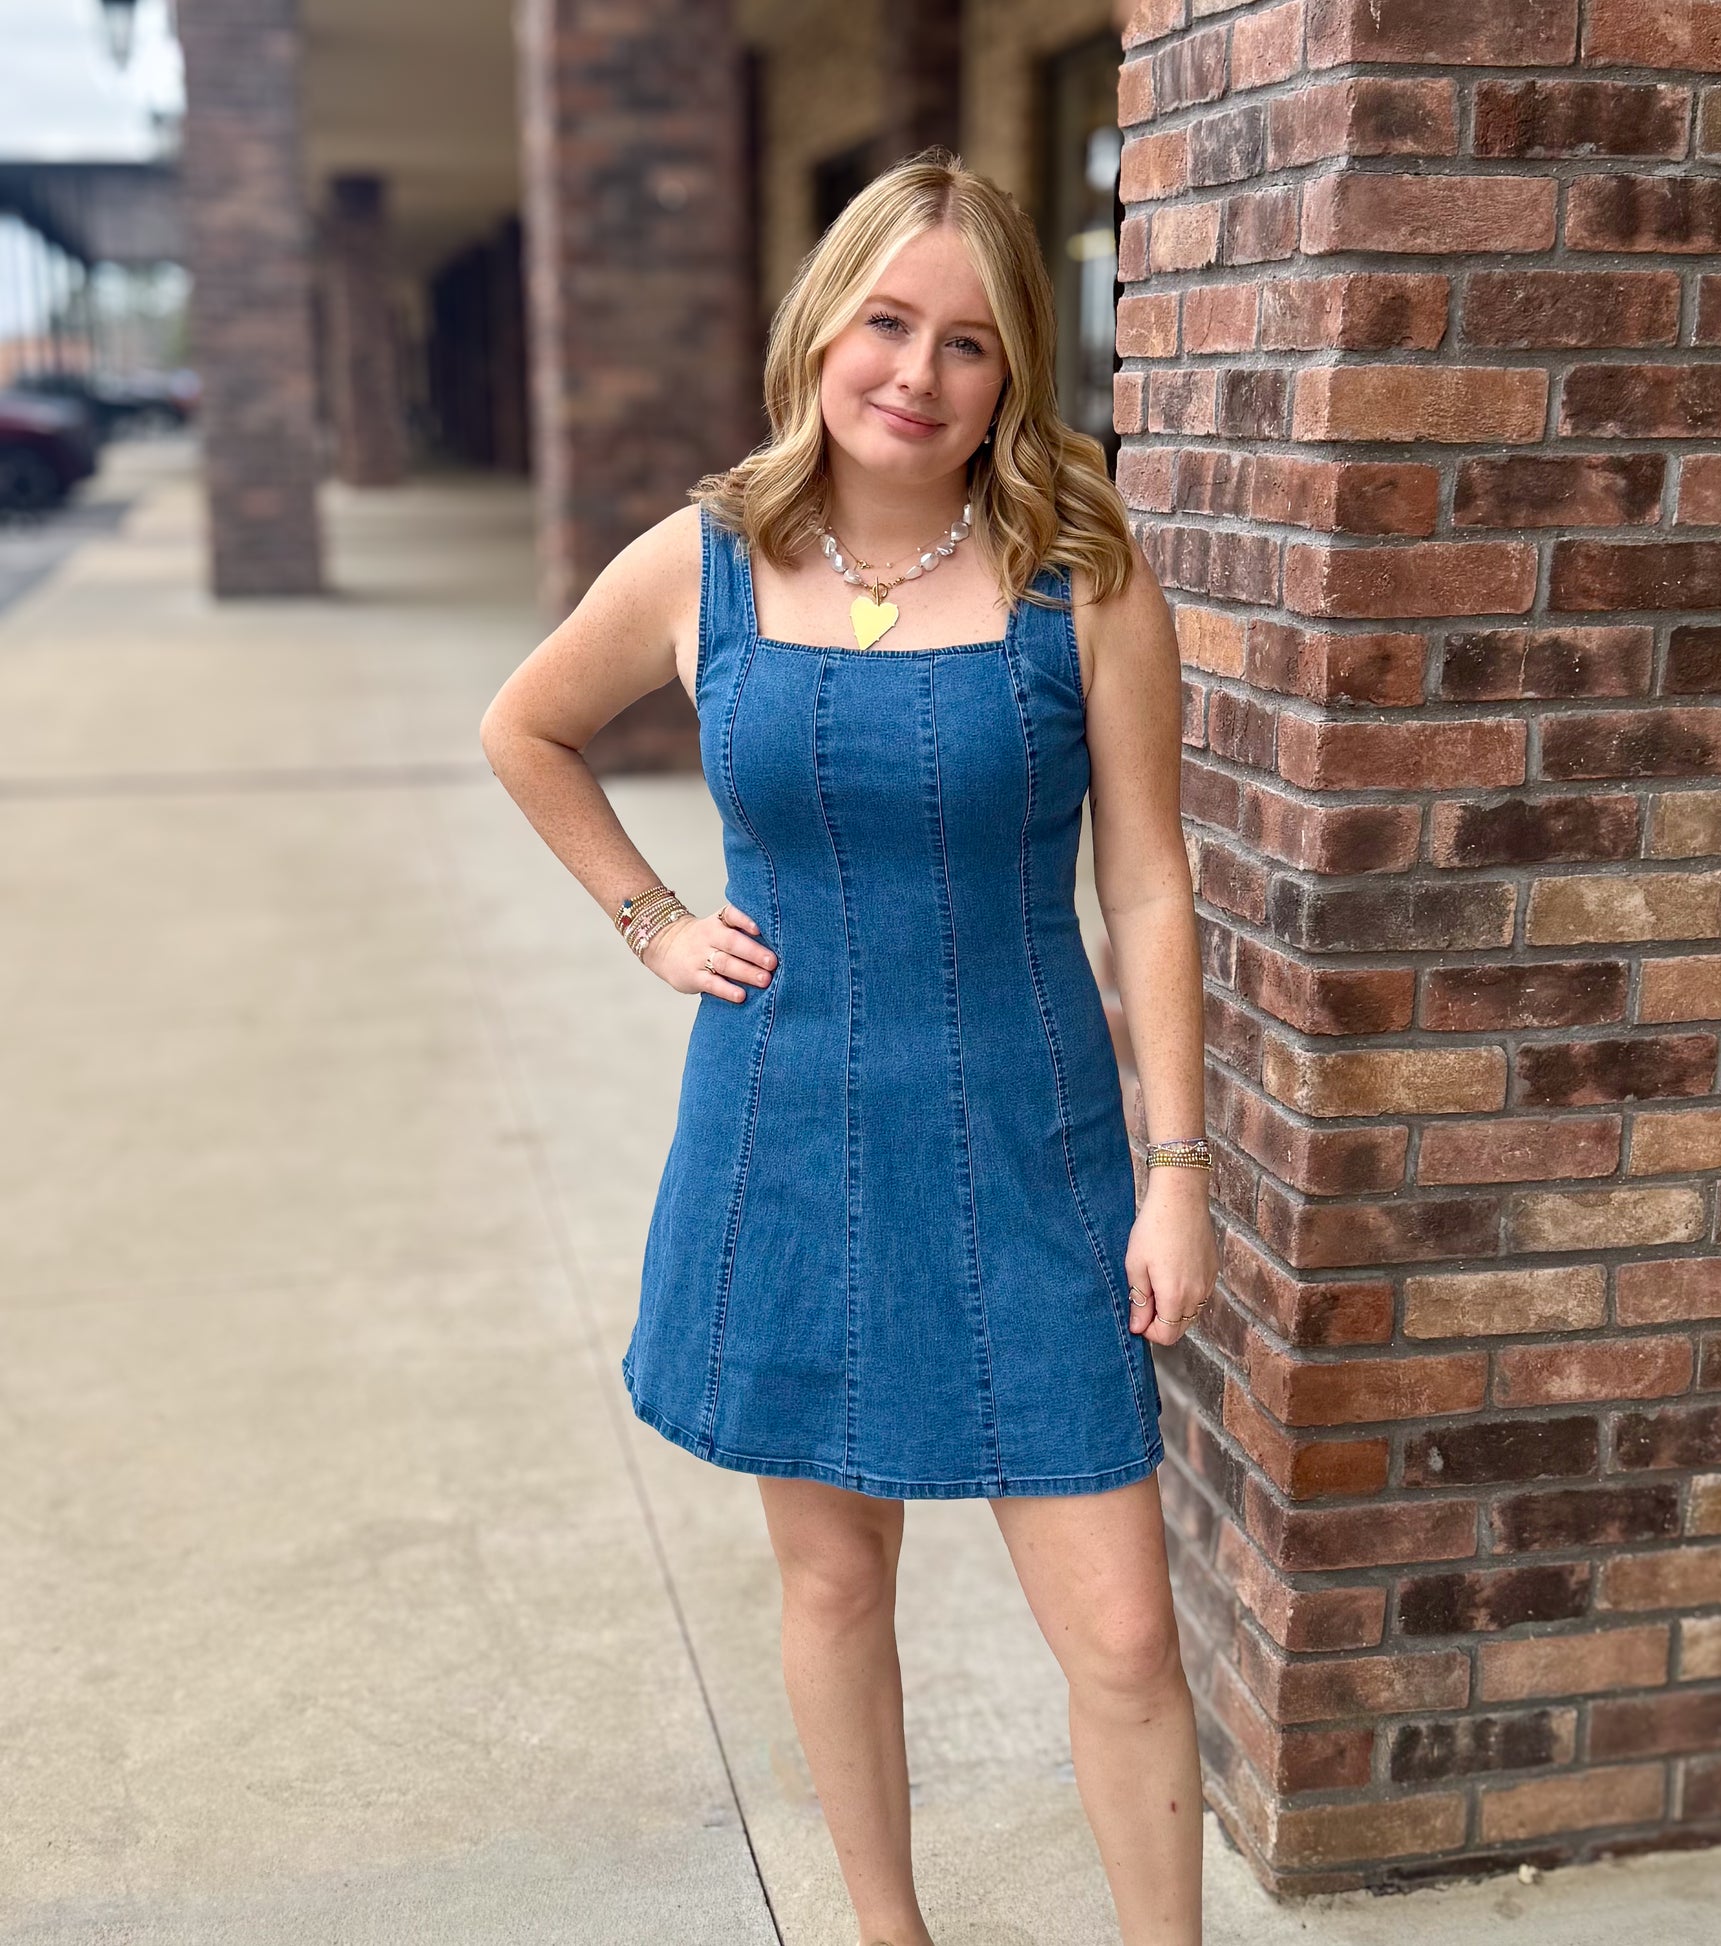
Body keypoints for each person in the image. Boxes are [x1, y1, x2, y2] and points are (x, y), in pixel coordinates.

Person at [480, 148, 1217, 1946]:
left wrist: (1177, 1168)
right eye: (886, 321)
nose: (917, 372)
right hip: (786, 1130)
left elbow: (1145, 883)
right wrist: (652, 919)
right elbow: (525, 726)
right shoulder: (705, 559)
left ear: (1015, 367)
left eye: (968, 341)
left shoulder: (1083, 574)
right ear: (821, 327)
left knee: (1125, 1636)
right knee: (831, 1581)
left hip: (1031, 1144)